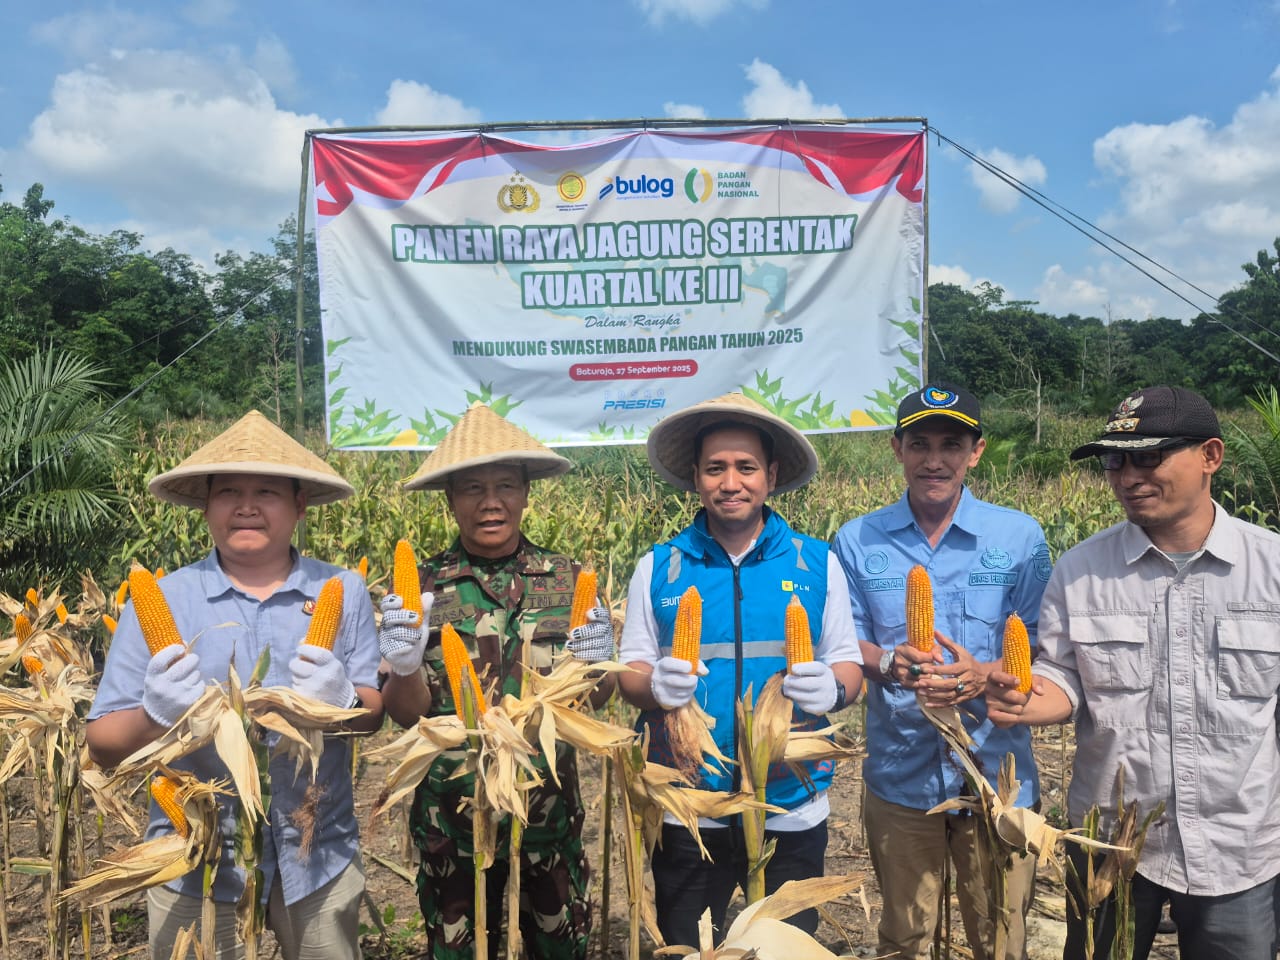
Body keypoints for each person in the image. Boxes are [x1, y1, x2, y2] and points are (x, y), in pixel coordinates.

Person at [985, 385, 1280, 960]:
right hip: (1106, 841)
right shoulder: (1080, 570)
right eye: (1115, 460)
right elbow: (1062, 676)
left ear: (1210, 456)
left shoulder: (1271, 569)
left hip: (1237, 841)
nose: (1127, 476)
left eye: (1149, 457)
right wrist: (1028, 697)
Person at [86, 410, 384, 960]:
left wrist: (341, 702)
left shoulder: (344, 589)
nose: (246, 506)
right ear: (205, 505)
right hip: (196, 860)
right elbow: (103, 744)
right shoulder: (162, 598)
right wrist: (154, 714)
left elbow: (371, 712)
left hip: (316, 852)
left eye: (266, 491)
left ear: (299, 505)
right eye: (228, 492)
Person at [617, 392, 864, 947]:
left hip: (789, 804)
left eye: (746, 467)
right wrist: (653, 686)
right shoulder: (659, 566)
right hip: (689, 807)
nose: (732, 482)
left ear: (771, 475)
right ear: (696, 478)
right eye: (716, 468)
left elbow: (848, 664)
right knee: (687, 945)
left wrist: (835, 688)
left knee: (783, 948)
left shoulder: (816, 563)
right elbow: (628, 673)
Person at [376, 402, 616, 960]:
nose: (490, 502)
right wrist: (406, 665)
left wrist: (598, 667)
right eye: (472, 488)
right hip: (451, 820)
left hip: (547, 814)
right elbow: (407, 716)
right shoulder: (420, 590)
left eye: (506, 485)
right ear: (450, 499)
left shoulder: (568, 581)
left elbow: (592, 703)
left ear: (526, 492)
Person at [832, 384, 1051, 960]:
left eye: (951, 444)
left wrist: (986, 673)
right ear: (897, 449)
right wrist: (886, 661)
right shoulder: (857, 539)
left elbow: (1044, 643)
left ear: (976, 451)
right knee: (904, 937)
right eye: (920, 444)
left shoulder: (1020, 537)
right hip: (901, 774)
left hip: (996, 775)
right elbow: (844, 639)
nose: (935, 460)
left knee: (1001, 939)